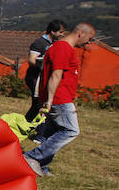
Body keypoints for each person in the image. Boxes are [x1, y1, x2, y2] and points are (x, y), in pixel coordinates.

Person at [23, 23, 96, 177]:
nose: (88, 43)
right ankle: (31, 157)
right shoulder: (63, 48)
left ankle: (41, 166)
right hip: (58, 98)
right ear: (80, 33)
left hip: (61, 98)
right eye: (89, 39)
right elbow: (55, 75)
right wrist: (49, 102)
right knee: (71, 130)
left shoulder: (61, 47)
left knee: (54, 132)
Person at [24, 19, 66, 123]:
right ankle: (26, 123)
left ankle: (35, 125)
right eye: (60, 32)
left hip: (44, 77)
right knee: (37, 103)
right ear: (53, 31)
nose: (62, 34)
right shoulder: (39, 43)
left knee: (41, 103)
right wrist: (44, 64)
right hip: (35, 77)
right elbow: (31, 60)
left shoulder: (54, 43)